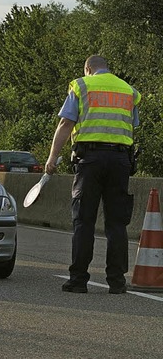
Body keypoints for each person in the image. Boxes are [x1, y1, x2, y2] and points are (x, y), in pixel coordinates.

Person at [45, 55, 140, 295]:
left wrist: (51, 158)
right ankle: (117, 282)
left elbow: (66, 124)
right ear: (107, 68)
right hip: (120, 160)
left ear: (88, 69)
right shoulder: (128, 90)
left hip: (90, 160)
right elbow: (131, 125)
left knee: (83, 221)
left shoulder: (81, 85)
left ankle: (78, 281)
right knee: (117, 223)